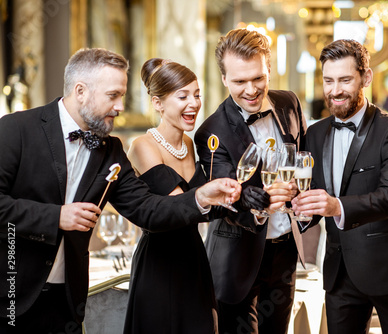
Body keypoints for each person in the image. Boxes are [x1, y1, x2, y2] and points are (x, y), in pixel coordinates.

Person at [0, 48, 241, 333]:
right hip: (12, 296)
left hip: (66, 303)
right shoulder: (15, 129)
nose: (120, 107)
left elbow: (148, 209)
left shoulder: (110, 150)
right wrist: (56, 217)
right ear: (80, 91)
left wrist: (199, 197)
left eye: (122, 96)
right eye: (112, 95)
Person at [292, 39, 388, 333]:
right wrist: (299, 207)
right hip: (339, 275)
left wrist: (335, 206)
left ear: (366, 78)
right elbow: (312, 198)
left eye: (345, 80)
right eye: (328, 80)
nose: (335, 90)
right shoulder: (313, 134)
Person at [194, 28, 307, 333]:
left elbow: (304, 158)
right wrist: (253, 200)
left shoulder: (289, 104)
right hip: (237, 255)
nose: (251, 89)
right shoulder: (210, 132)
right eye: (240, 81)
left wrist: (302, 189)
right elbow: (225, 194)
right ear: (224, 79)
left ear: (269, 69)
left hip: (284, 250)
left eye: (258, 78)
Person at [123, 58, 221, 333]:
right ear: (158, 103)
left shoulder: (189, 144)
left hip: (193, 257)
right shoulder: (142, 145)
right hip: (159, 263)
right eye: (183, 96)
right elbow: (178, 205)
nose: (194, 103)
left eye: (197, 95)